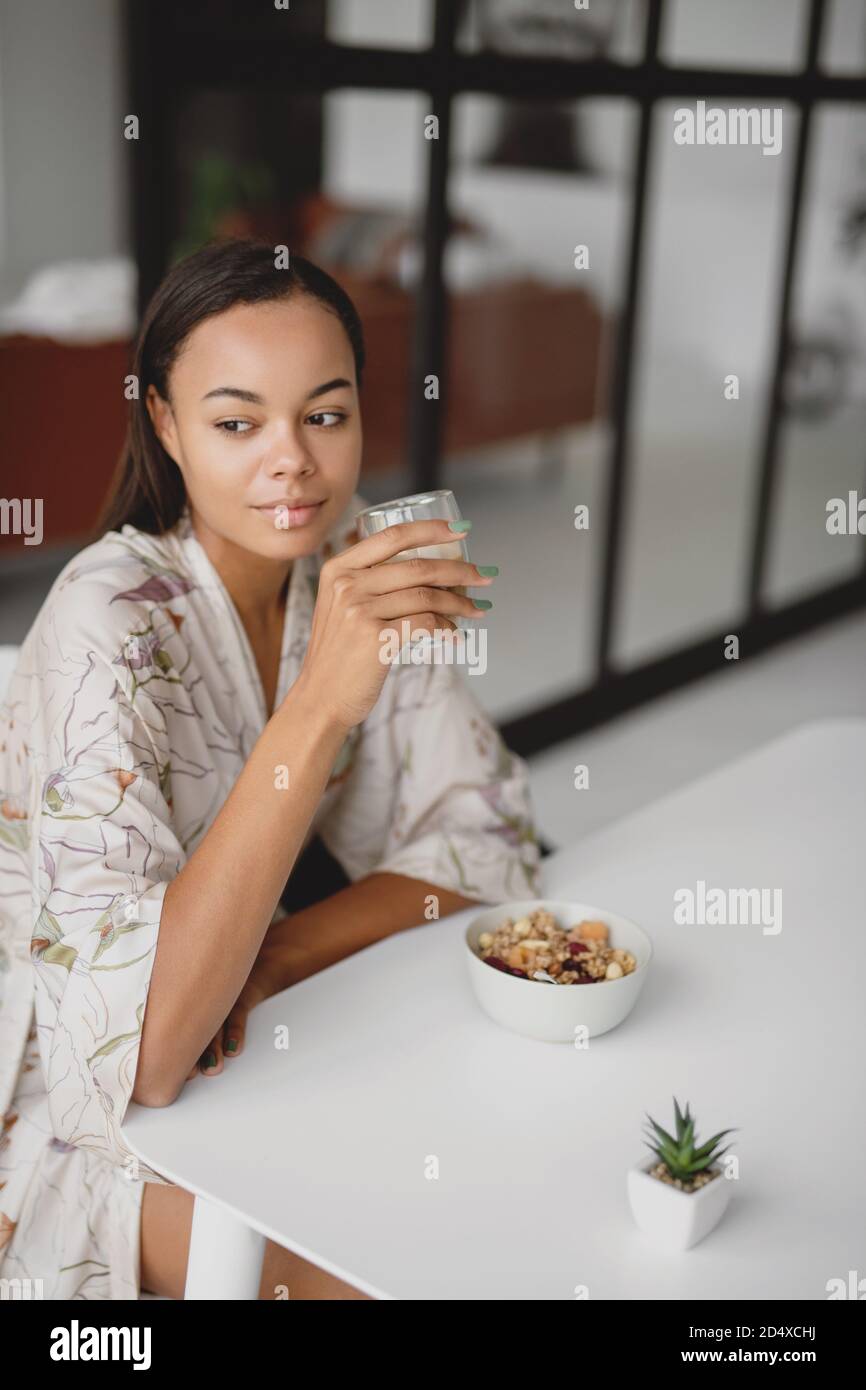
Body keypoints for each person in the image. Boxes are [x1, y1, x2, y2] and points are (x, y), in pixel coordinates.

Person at [0, 238, 542, 1300]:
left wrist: (277, 955)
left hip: (259, 1036)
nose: (290, 461)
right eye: (237, 423)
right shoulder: (105, 621)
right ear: (163, 420)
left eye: (324, 415)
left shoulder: (360, 568)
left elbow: (489, 840)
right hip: (75, 1108)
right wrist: (322, 703)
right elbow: (145, 1055)